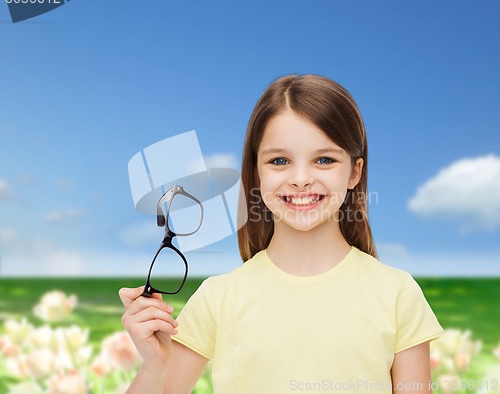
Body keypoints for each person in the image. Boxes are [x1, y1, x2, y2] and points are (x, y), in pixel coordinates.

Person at [119, 74, 444, 394]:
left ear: (354, 172)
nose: (301, 178)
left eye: (324, 159)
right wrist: (154, 366)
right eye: (279, 160)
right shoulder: (218, 298)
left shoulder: (397, 294)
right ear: (256, 173)